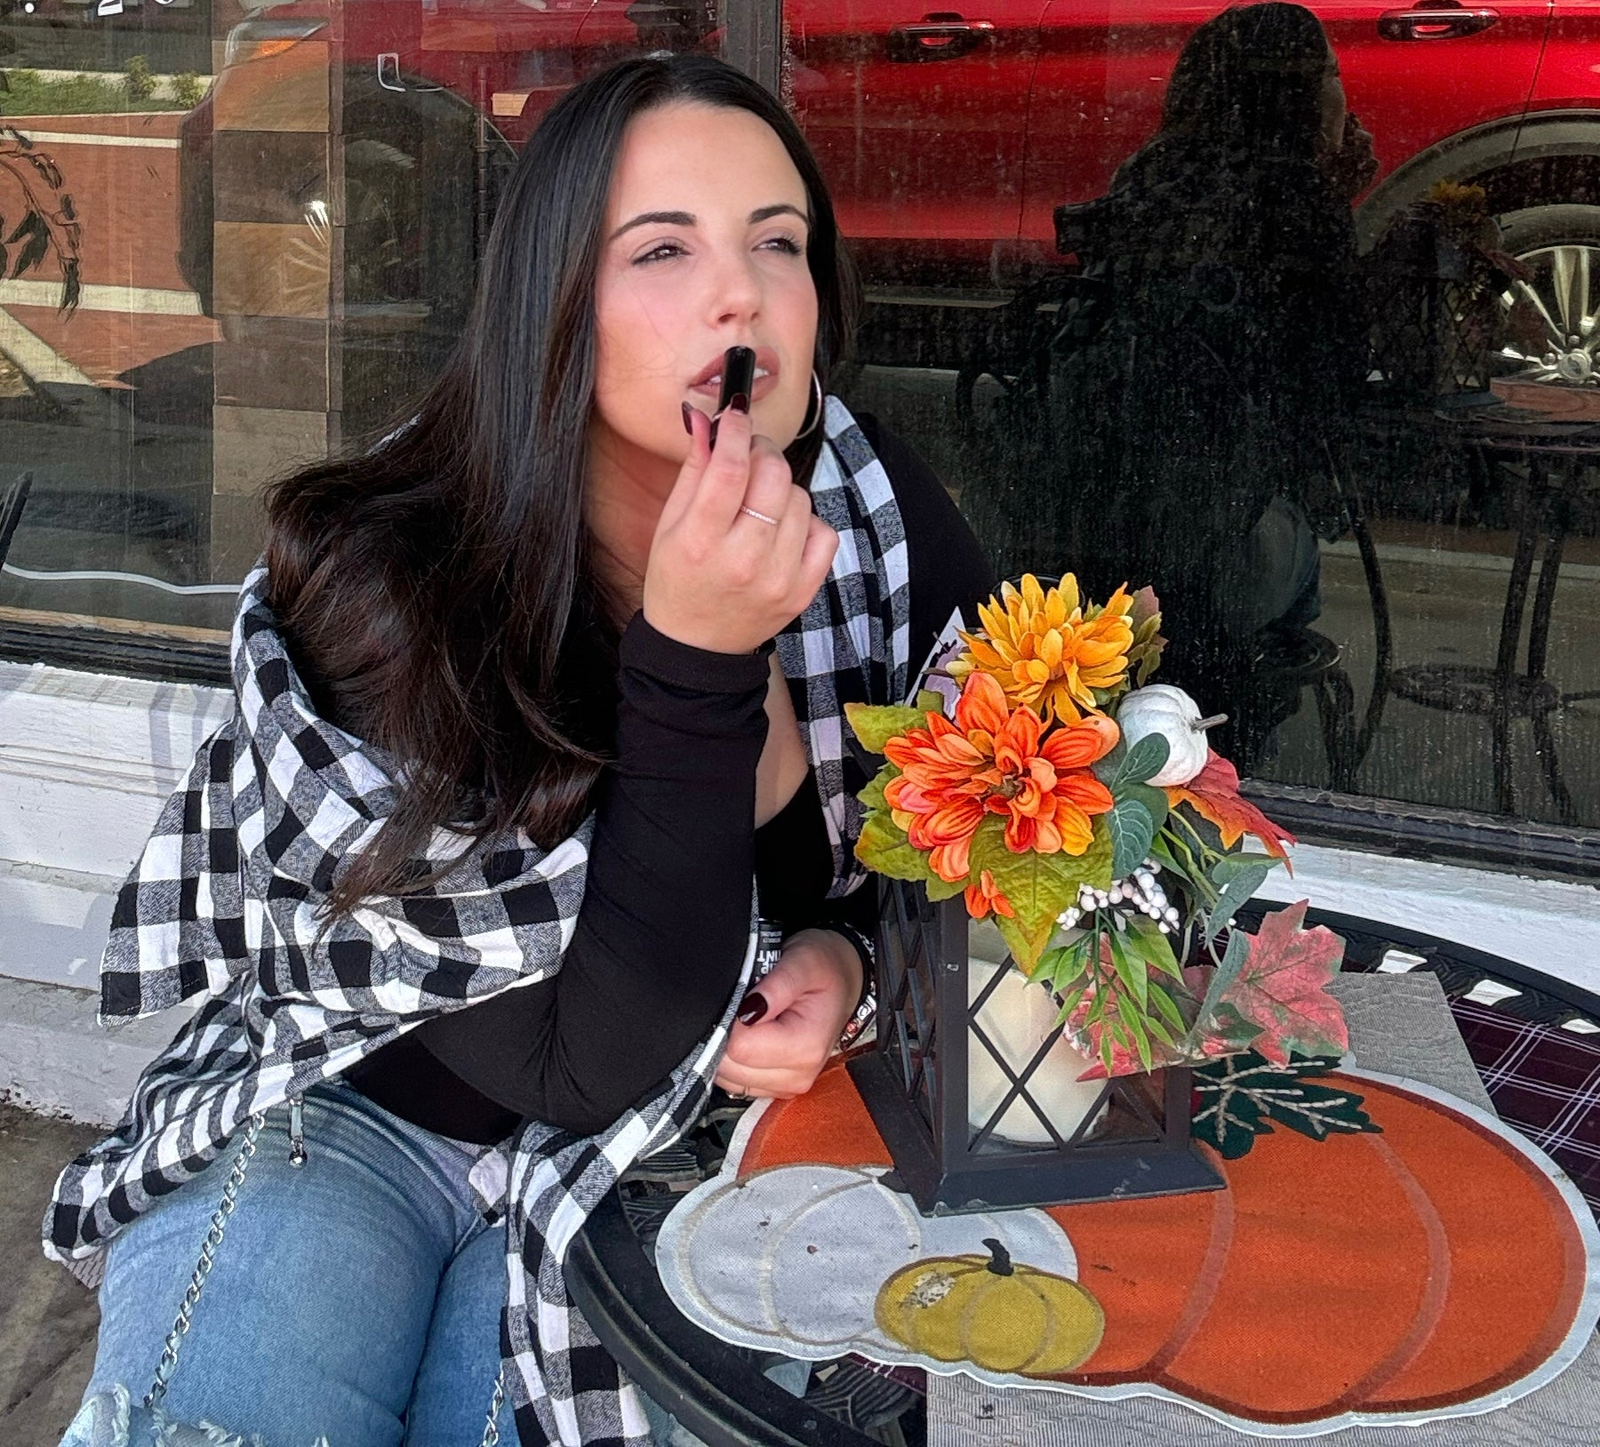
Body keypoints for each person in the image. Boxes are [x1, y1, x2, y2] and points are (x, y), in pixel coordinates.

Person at [44, 54, 994, 1447]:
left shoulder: (870, 512)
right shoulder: (391, 558)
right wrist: (698, 659)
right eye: (662, 249)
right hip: (352, 1107)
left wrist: (845, 957)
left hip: (673, 1149)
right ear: (554, 297)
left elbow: (989, 832)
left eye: (777, 243)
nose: (739, 295)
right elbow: (567, 1060)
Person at [988, 3, 1376, 766]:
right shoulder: (1300, 205)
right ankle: (1246, 732)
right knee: (1299, 552)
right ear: (1302, 94)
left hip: (1076, 532)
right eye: (1333, 75)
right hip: (1213, 553)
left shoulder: (1147, 178)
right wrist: (1337, 204)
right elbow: (1329, 388)